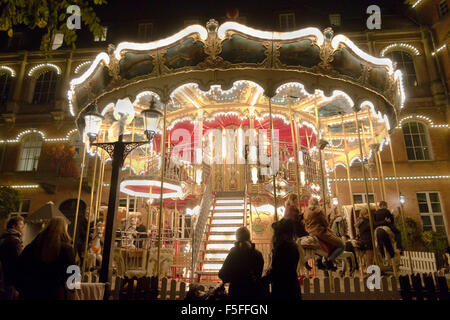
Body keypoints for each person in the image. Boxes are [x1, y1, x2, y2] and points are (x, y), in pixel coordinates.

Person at [16, 217, 76, 300]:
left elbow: (19, 267)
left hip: (32, 291)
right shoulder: (66, 249)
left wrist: (21, 288)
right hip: (55, 292)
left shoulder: (32, 247)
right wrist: (72, 290)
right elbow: (73, 272)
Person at [218, 227, 266, 300]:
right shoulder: (258, 254)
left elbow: (222, 274)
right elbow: (258, 275)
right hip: (253, 293)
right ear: (249, 237)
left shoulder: (233, 253)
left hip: (236, 293)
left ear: (237, 238)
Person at [264, 219, 301, 300]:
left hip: (282, 290)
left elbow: (279, 270)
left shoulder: (283, 247)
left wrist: (263, 280)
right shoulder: (292, 246)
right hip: (291, 288)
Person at [304, 197, 344, 271]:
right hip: (320, 233)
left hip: (311, 233)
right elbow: (325, 223)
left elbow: (306, 224)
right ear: (317, 203)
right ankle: (330, 261)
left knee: (320, 247)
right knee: (341, 245)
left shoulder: (306, 212)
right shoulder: (319, 211)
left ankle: (319, 260)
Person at [0, 216, 25, 300]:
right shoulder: (14, 241)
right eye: (21, 225)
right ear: (13, 226)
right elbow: (19, 261)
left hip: (3, 278)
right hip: (10, 281)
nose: (23, 227)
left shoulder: (4, 237)